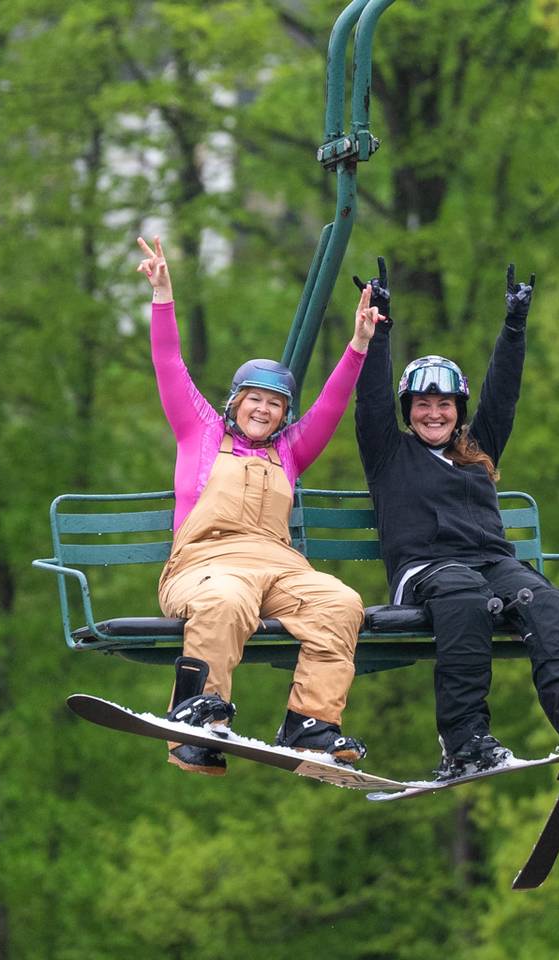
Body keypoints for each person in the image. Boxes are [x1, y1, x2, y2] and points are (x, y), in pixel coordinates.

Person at [136, 235, 384, 776]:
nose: (264, 411)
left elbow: (332, 404)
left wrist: (358, 346)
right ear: (235, 402)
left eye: (275, 405)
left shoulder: (291, 451)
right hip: (205, 565)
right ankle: (195, 717)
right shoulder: (198, 431)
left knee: (341, 602)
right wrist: (162, 298)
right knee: (225, 600)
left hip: (278, 566)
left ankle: (311, 725)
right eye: (256, 400)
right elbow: (169, 363)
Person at [351, 261, 559, 780]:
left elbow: (503, 396)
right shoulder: (388, 453)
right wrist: (381, 326)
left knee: (546, 597)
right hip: (425, 571)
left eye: (445, 405)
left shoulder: (476, 449)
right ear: (408, 410)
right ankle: (464, 740)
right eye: (422, 405)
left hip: (490, 563)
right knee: (466, 595)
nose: (434, 414)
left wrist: (514, 327)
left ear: (459, 410)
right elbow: (370, 398)